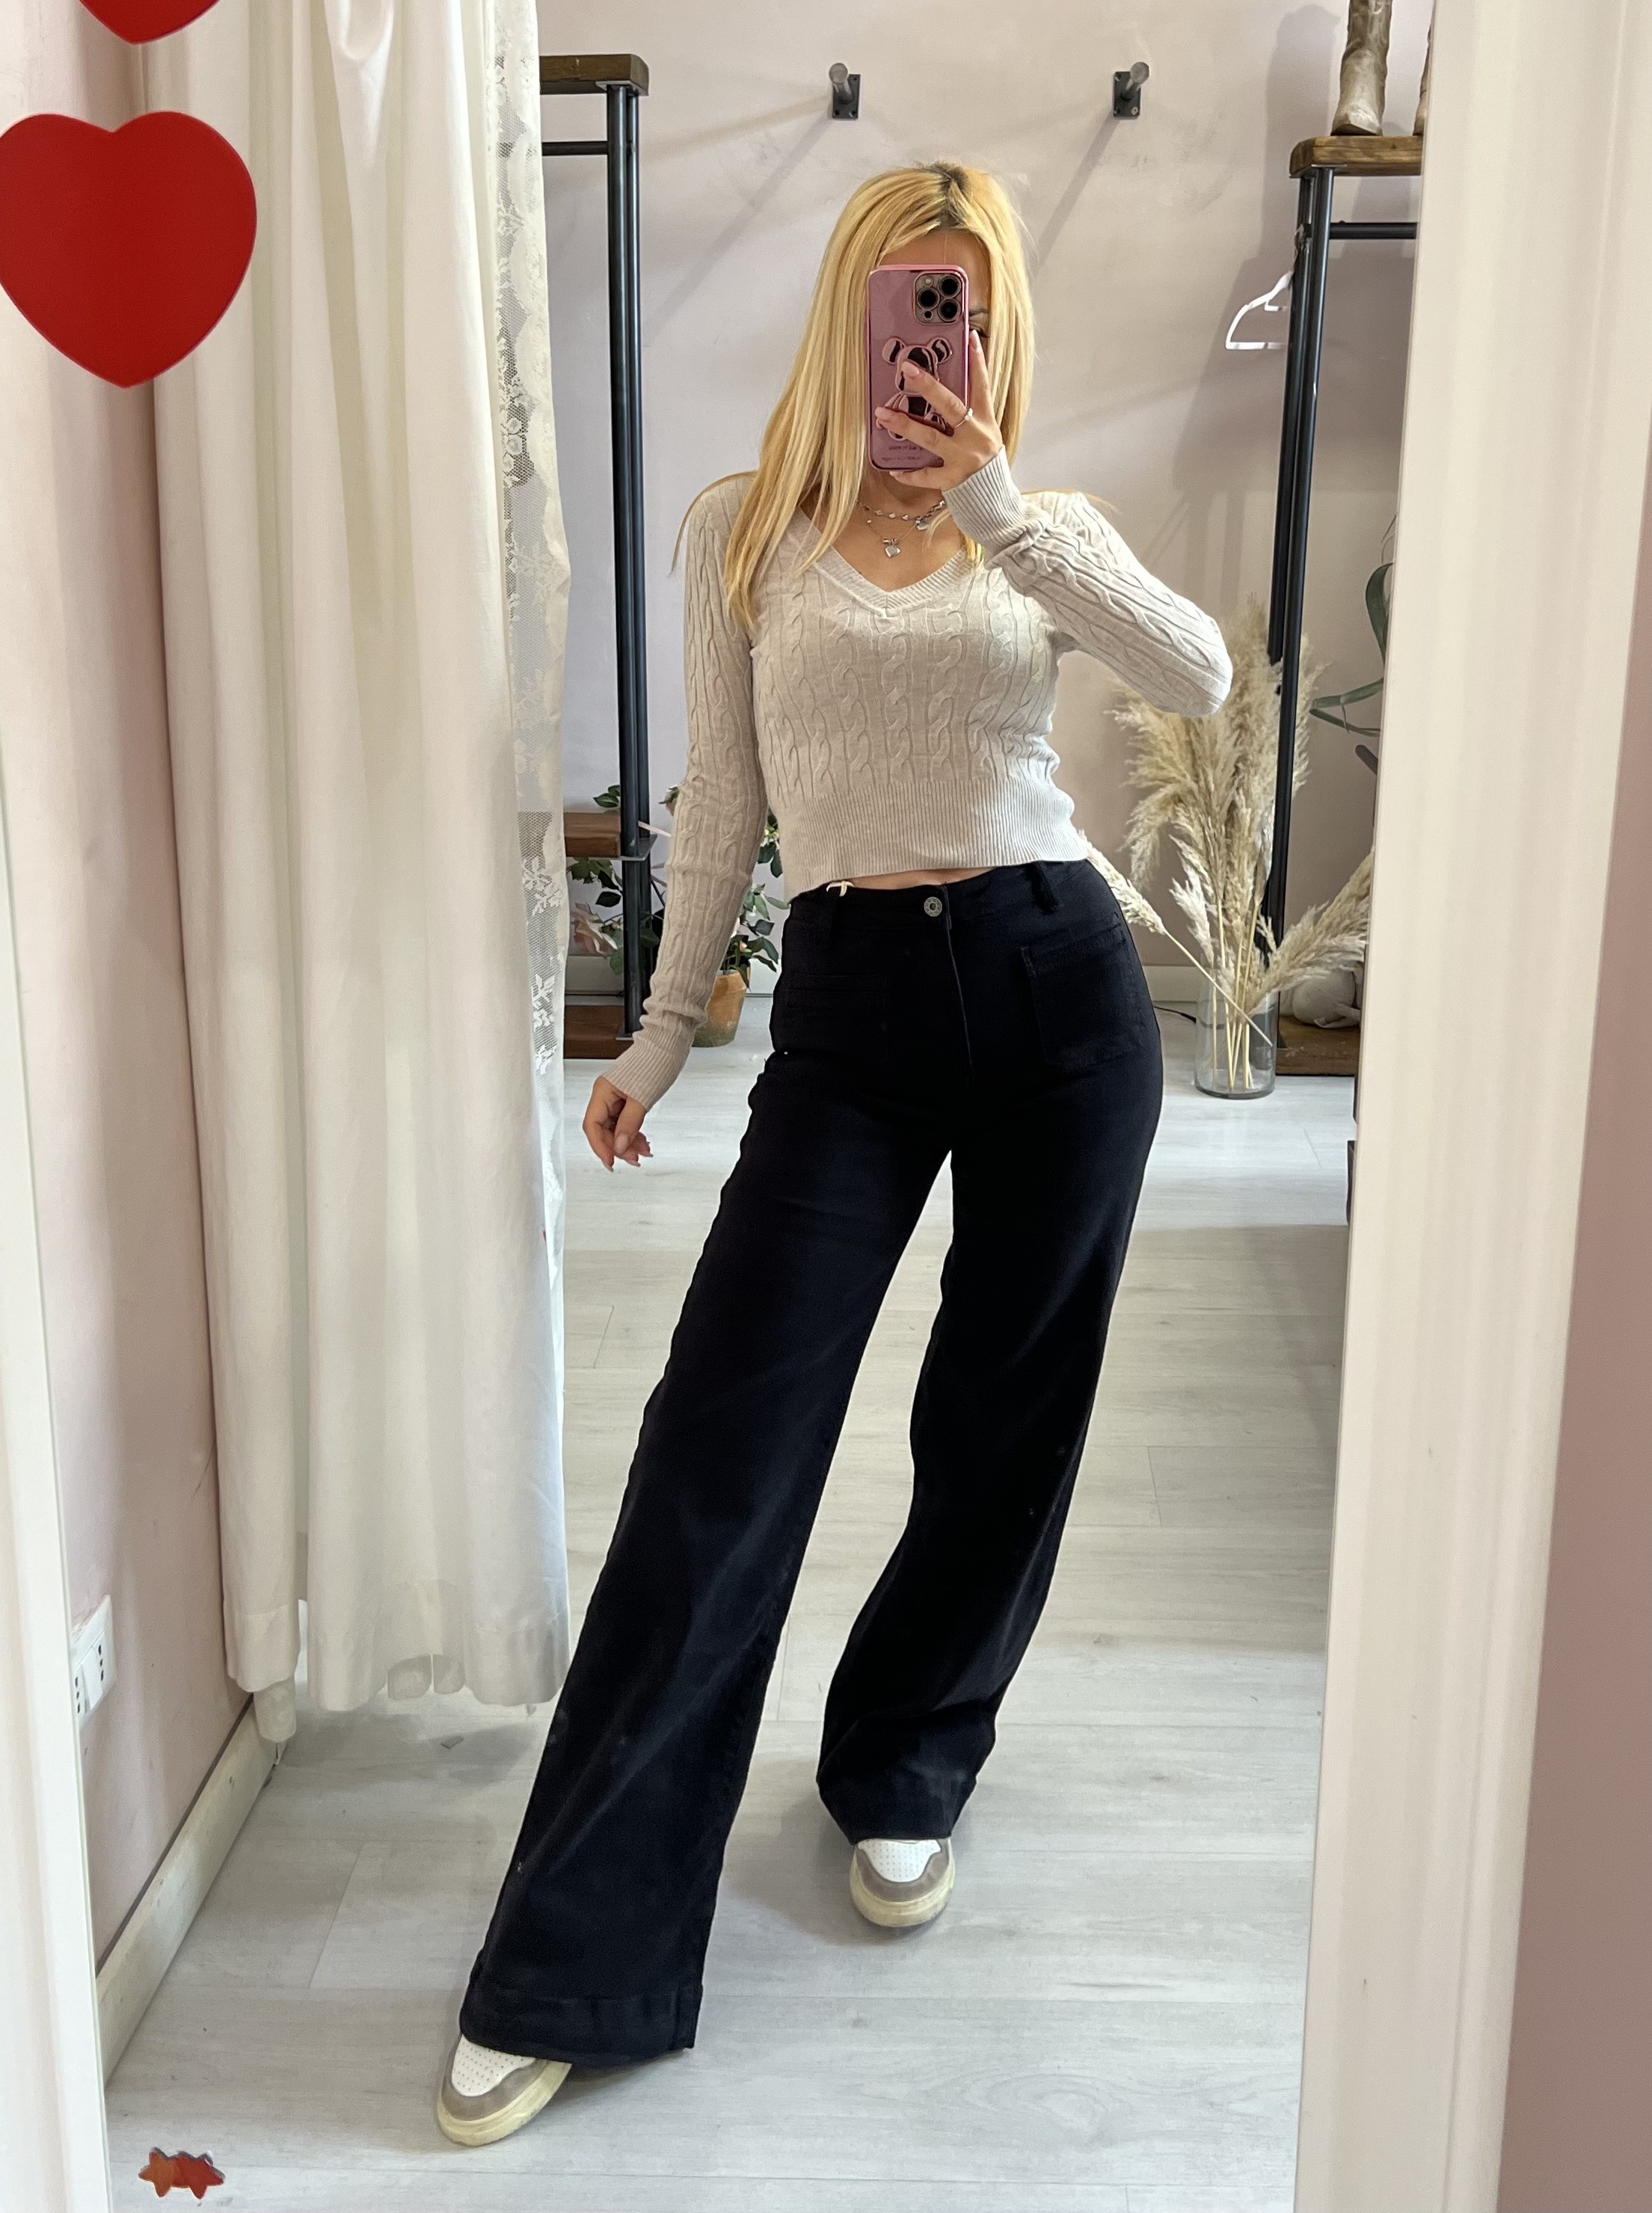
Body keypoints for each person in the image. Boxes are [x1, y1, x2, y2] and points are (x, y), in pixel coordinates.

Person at [436, 159, 1231, 2149]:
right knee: (724, 1444)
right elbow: (721, 805)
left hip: (1058, 993)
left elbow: (1201, 677)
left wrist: (999, 508)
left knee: (1002, 1422)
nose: (923, 344)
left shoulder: (1037, 528)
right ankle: (574, 1951)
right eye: (899, 301)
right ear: (845, 313)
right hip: (852, 1013)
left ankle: (903, 1761)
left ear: (995, 325)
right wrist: (658, 1026)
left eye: (960, 305)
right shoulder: (745, 532)